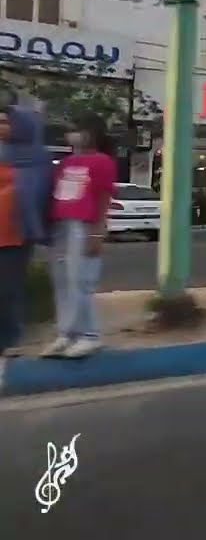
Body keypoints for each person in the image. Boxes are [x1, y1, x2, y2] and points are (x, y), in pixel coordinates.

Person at [43, 114, 117, 359]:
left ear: (91, 133)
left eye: (77, 128)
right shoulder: (66, 163)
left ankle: (90, 335)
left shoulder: (103, 162)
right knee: (62, 283)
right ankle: (67, 333)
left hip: (83, 226)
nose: (72, 133)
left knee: (81, 282)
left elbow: (104, 197)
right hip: (61, 225)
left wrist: (97, 231)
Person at [0, 107, 53, 356]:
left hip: (16, 234)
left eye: (6, 122)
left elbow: (43, 196)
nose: (2, 127)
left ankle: (10, 339)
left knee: (9, 289)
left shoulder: (38, 158)